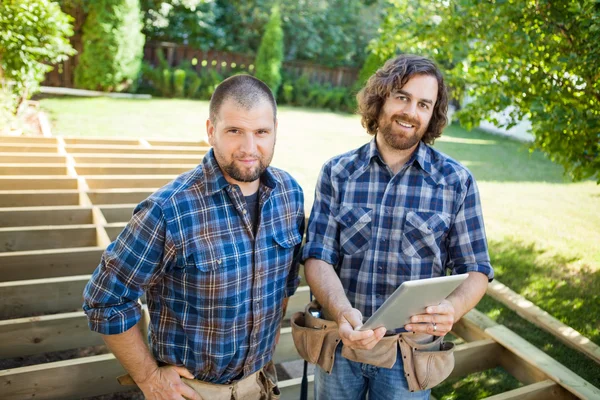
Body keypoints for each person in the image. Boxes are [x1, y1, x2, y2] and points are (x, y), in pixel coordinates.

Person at [83, 74, 304, 400]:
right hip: (191, 392)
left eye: (261, 132)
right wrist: (148, 377)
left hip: (259, 386)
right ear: (210, 130)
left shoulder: (290, 195)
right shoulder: (168, 210)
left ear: (274, 132)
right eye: (234, 131)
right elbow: (106, 299)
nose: (249, 147)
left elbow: (283, 287)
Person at [302, 54, 494, 399]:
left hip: (409, 356)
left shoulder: (456, 182)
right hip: (340, 344)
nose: (411, 112)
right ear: (380, 100)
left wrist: (452, 309)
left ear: (432, 114)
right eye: (402, 97)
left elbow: (476, 268)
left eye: (424, 104)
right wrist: (343, 312)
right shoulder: (338, 172)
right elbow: (317, 256)